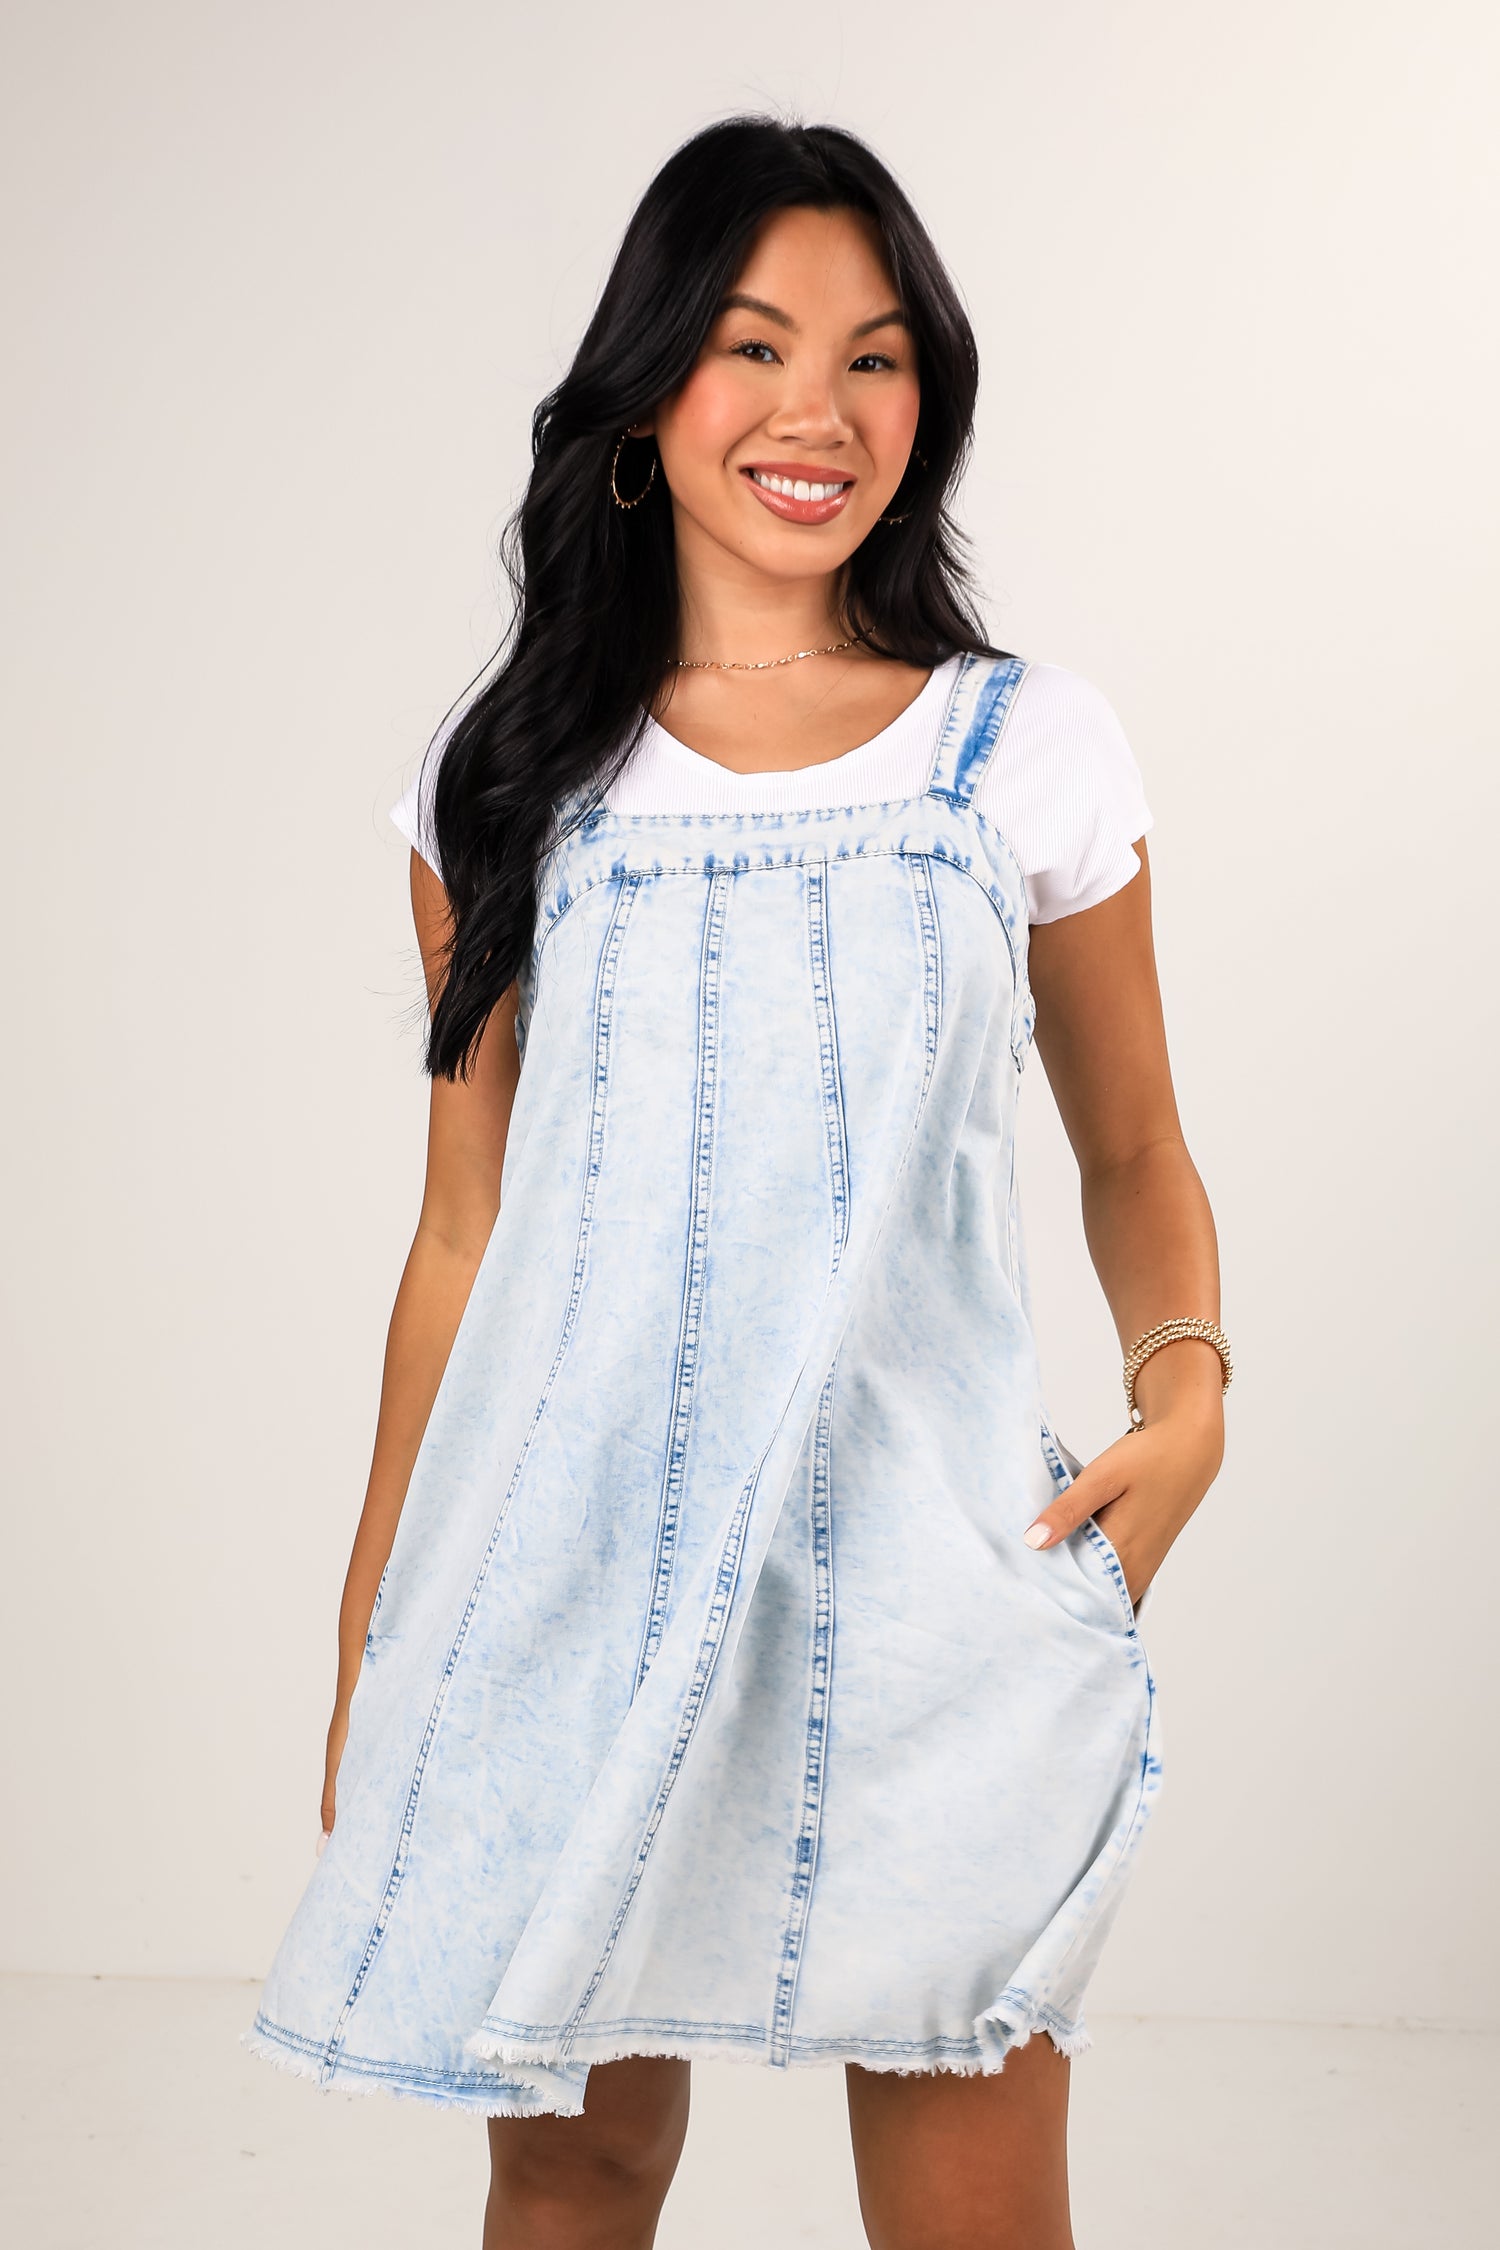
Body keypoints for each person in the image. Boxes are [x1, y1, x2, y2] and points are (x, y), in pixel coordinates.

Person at [246, 115, 1229, 2250]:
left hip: (928, 1577)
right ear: (647, 390)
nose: (818, 412)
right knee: (578, 2168)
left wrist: (1190, 1391)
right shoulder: (508, 777)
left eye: (876, 359)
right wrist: (376, 1610)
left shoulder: (1023, 747)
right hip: (569, 1570)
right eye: (755, 346)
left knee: (973, 2197)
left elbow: (1134, 1144)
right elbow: (461, 1229)